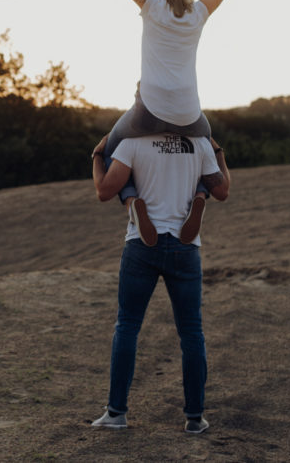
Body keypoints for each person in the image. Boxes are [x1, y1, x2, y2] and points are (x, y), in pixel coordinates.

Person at [72, 0, 280, 244]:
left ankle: (132, 203)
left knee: (110, 149)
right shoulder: (200, 13)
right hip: (189, 115)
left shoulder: (150, 6)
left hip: (149, 111)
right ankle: (200, 197)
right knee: (206, 152)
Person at [89, 129, 231, 434]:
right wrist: (216, 150)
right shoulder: (199, 143)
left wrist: (98, 155)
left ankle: (116, 413)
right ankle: (195, 417)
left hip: (142, 245)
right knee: (191, 331)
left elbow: (103, 190)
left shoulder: (132, 141)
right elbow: (223, 190)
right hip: (185, 245)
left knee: (128, 325)